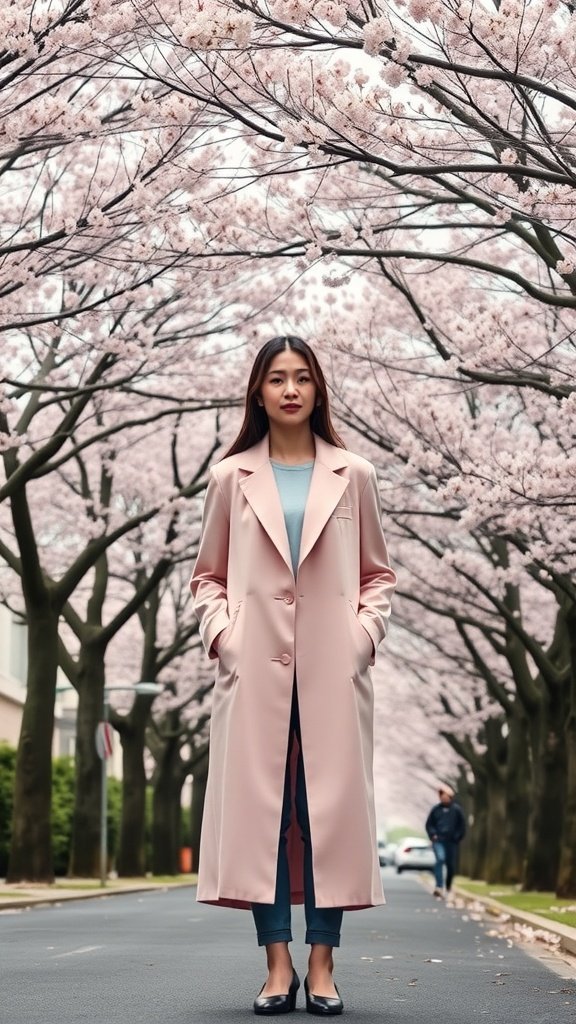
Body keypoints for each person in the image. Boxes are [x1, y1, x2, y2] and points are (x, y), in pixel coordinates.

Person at [190, 336, 397, 1016]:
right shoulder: (230, 478)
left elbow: (377, 575)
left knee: (326, 813)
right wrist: (225, 638)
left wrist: (362, 639)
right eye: (276, 378)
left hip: (335, 671)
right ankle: (277, 966)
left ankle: (324, 963)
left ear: (318, 390)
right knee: (266, 816)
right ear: (257, 391)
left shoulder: (354, 474)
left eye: (302, 378)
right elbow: (208, 578)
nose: (289, 389)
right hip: (254, 671)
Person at [425, 784, 466, 897]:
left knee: (450, 865)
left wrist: (457, 837)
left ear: (450, 797)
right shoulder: (435, 810)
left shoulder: (457, 810)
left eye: (446, 796)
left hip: (452, 842)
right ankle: (439, 886)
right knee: (440, 859)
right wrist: (433, 834)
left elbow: (461, 826)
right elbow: (429, 824)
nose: (444, 798)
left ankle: (448, 885)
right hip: (438, 840)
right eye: (442, 796)